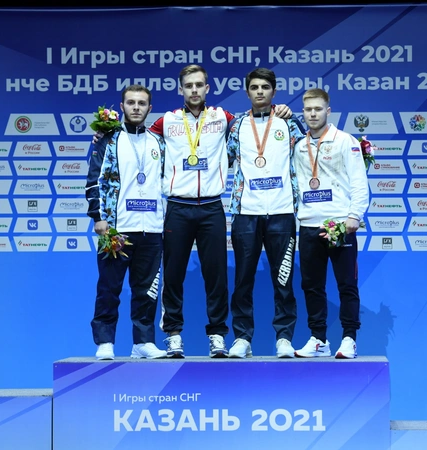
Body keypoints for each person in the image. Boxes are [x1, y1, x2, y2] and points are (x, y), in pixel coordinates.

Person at [91, 65, 292, 359]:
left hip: (211, 207)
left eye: (199, 85)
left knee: (216, 277)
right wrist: (104, 135)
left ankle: (217, 336)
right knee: (172, 276)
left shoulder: (224, 119)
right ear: (180, 89)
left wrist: (280, 110)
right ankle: (173, 335)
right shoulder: (166, 122)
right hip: (178, 207)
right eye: (189, 85)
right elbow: (134, 135)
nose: (194, 90)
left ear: (207, 88)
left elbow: (255, 124)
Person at [226, 68, 305, 359]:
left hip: (282, 212)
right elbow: (221, 159)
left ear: (274, 91)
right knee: (243, 280)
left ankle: (284, 337)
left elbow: (310, 154)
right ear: (247, 92)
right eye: (255, 87)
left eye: (265, 87)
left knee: (283, 279)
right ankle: (242, 338)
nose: (260, 91)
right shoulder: (236, 126)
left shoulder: (289, 123)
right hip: (246, 213)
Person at [85, 84, 167, 360]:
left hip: (151, 229)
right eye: (131, 102)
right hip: (116, 228)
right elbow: (94, 180)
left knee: (146, 291)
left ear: (149, 108)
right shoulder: (108, 140)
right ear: (122, 107)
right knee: (109, 288)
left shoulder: (159, 142)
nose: (136, 107)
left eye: (141, 103)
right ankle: (105, 341)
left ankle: (143, 342)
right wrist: (98, 217)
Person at [293, 88, 369, 359]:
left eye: (318, 109)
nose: (313, 114)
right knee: (311, 286)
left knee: (346, 284)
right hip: (308, 224)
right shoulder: (298, 146)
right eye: (308, 110)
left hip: (339, 223)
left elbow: (359, 181)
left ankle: (349, 339)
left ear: (328, 110)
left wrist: (354, 216)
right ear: (303, 112)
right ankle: (319, 339)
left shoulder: (345, 141)